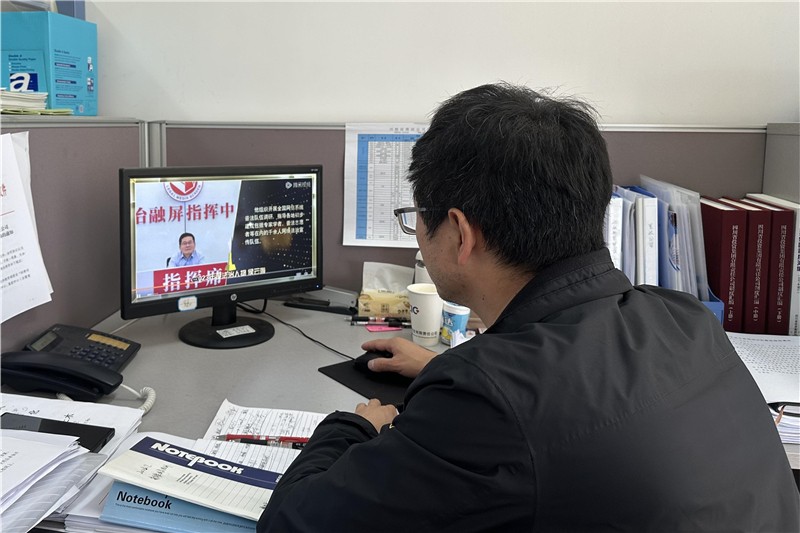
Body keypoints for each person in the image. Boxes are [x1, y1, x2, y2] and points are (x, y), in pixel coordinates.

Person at [258, 83, 799, 532]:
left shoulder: (486, 399)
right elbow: (569, 400)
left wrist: (354, 427)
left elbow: (292, 524)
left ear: (461, 233)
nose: (417, 234)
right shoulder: (682, 317)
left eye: (417, 219)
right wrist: (444, 369)